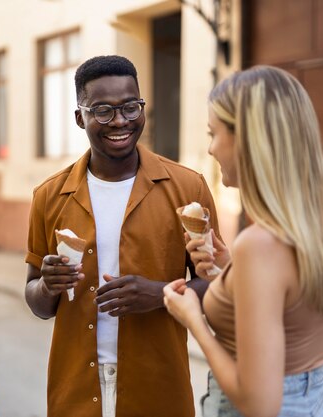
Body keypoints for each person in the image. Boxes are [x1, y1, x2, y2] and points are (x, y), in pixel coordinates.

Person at [24, 55, 222, 417]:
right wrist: (48, 285)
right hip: (75, 393)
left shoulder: (187, 187)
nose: (120, 121)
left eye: (131, 107)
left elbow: (218, 286)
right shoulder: (49, 197)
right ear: (79, 117)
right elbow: (37, 303)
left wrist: (162, 294)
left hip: (158, 387)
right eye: (102, 110)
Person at [164, 66, 323, 417]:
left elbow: (258, 405)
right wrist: (228, 271)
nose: (210, 149)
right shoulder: (315, 221)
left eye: (214, 133)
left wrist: (194, 320)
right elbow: (289, 306)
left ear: (248, 139)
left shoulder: (259, 245)